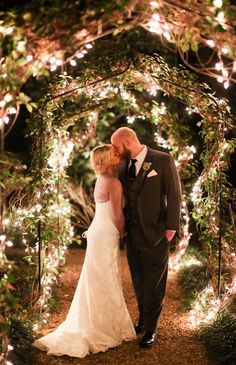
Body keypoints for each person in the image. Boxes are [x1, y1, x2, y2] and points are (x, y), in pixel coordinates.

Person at [33, 144, 136, 358]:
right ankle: (104, 326)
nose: (118, 156)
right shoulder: (114, 183)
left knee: (96, 276)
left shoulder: (101, 180)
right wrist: (124, 231)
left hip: (97, 229)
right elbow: (117, 215)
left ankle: (97, 320)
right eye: (114, 154)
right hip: (107, 231)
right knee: (106, 275)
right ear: (107, 159)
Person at [111, 127, 182, 348]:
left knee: (154, 285)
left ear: (127, 143)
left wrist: (171, 226)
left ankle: (151, 329)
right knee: (139, 282)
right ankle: (143, 319)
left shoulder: (162, 160)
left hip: (156, 233)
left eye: (116, 146)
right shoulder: (123, 166)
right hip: (132, 236)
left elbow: (174, 194)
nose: (114, 150)